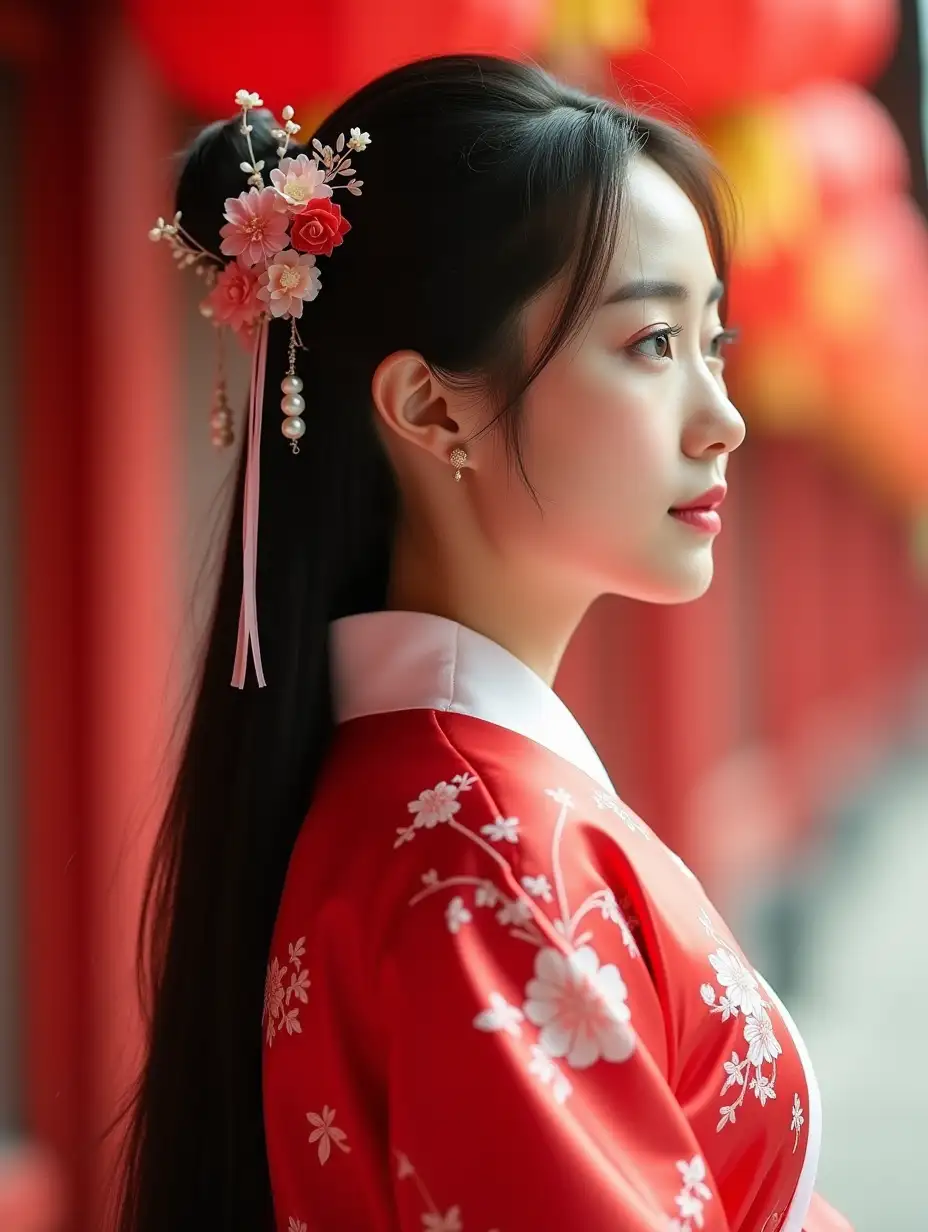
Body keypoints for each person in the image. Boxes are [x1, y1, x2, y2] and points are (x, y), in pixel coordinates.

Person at [114, 55, 853, 1232]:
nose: (723, 416)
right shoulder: (486, 849)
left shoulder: (430, 804)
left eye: (713, 343)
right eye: (652, 344)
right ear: (429, 406)